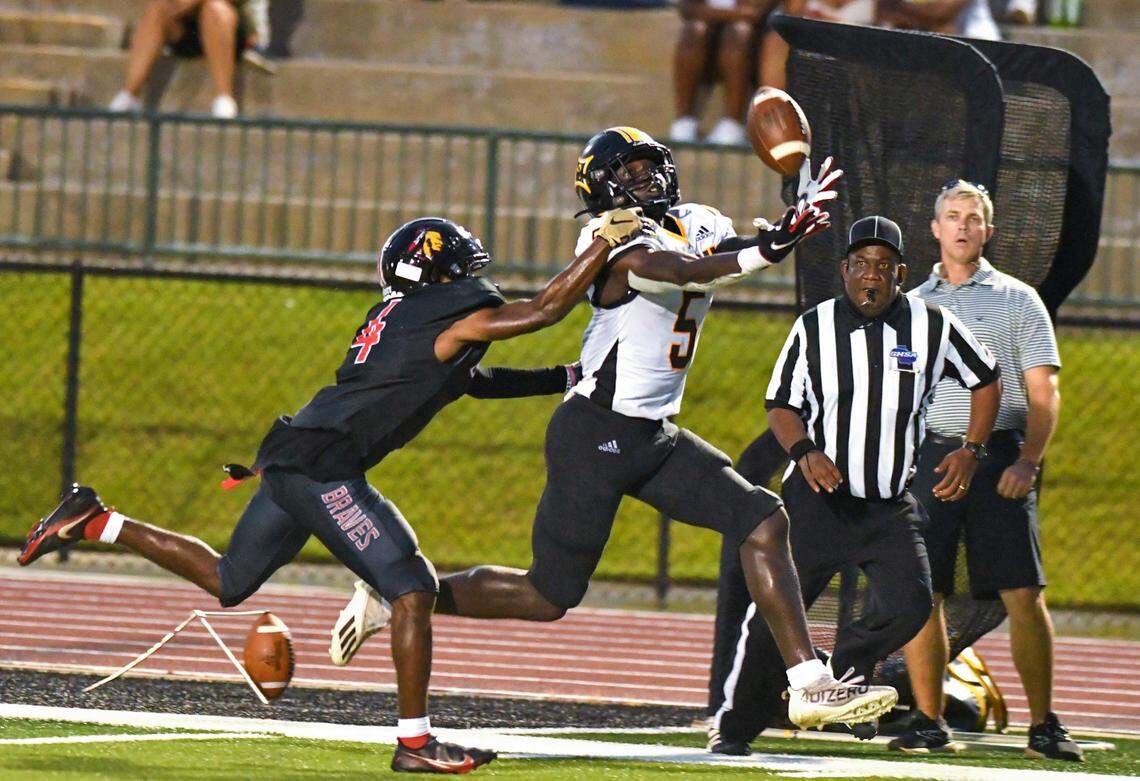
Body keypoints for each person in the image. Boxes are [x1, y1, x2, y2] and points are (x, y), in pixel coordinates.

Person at [17, 210, 645, 774]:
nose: (471, 276)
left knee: (230, 579)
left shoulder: (404, 320)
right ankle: (415, 745)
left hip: (295, 455)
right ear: (438, 275)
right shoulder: (440, 317)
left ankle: (97, 522)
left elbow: (470, 381)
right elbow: (542, 311)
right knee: (413, 588)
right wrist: (599, 246)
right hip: (322, 468)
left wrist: (564, 376)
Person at [331, 126, 903, 733]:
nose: (646, 179)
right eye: (628, 172)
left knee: (762, 518)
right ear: (602, 185)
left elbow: (725, 252)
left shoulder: (696, 219)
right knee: (548, 596)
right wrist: (772, 246)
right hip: (594, 434)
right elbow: (676, 271)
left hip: (653, 435)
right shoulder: (607, 237)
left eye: (649, 166)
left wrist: (789, 218)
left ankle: (809, 684)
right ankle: (402, 594)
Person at [704, 215, 1003, 754]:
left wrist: (972, 450)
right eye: (861, 264)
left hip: (888, 505)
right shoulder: (813, 326)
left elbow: (986, 378)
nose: (872, 276)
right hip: (817, 502)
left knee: (911, 606)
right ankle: (734, 729)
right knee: (776, 618)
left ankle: (838, 673)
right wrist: (804, 451)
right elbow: (780, 404)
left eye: (884, 266)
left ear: (901, 273)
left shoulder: (933, 325)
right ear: (844, 271)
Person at [891, 180, 1082, 762]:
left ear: (988, 231)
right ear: (935, 229)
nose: (963, 227)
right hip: (931, 457)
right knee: (927, 592)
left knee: (1024, 591)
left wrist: (1028, 459)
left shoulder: (1019, 300)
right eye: (952, 216)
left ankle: (1044, 725)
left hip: (999, 458)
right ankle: (927, 721)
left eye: (973, 218)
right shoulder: (913, 304)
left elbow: (1043, 390)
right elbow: (900, 391)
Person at [108, 0, 274, 119]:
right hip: (189, 27)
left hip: (234, 30)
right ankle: (129, 94)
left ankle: (224, 98)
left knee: (215, 7)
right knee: (158, 8)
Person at [670, 0, 778, 145]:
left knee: (738, 33)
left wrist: (709, 13)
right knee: (693, 31)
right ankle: (684, 123)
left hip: (754, 42)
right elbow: (686, 8)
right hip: (710, 37)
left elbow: (755, 13)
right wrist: (731, 15)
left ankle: (732, 124)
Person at [875, 0, 1001, 39]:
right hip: (933, 54)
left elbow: (939, 15)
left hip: (982, 53)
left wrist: (896, 7)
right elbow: (884, 13)